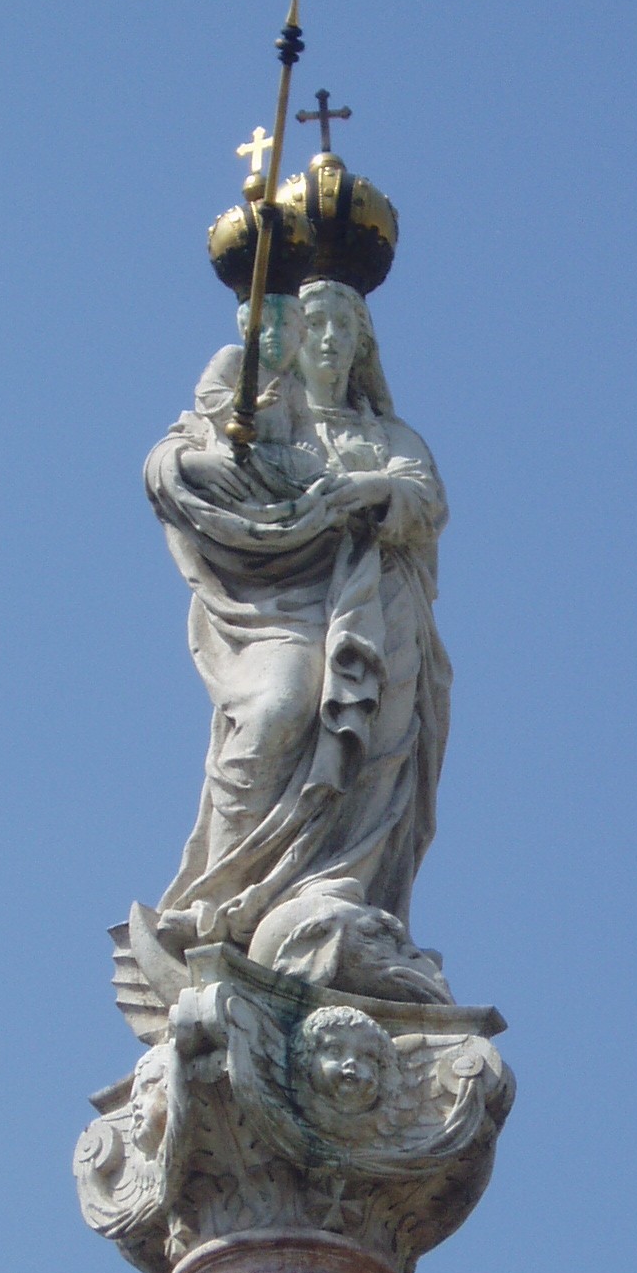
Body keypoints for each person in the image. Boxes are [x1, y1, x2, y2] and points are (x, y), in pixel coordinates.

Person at [141, 275, 452, 982]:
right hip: (279, 600)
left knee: (373, 750)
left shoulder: (387, 435)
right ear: (292, 336)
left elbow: (426, 502)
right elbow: (165, 466)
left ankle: (335, 890)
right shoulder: (257, 404)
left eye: (347, 327)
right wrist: (211, 461)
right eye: (318, 324)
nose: (332, 339)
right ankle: (221, 894)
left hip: (377, 604)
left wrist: (371, 490)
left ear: (364, 345)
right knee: (275, 710)